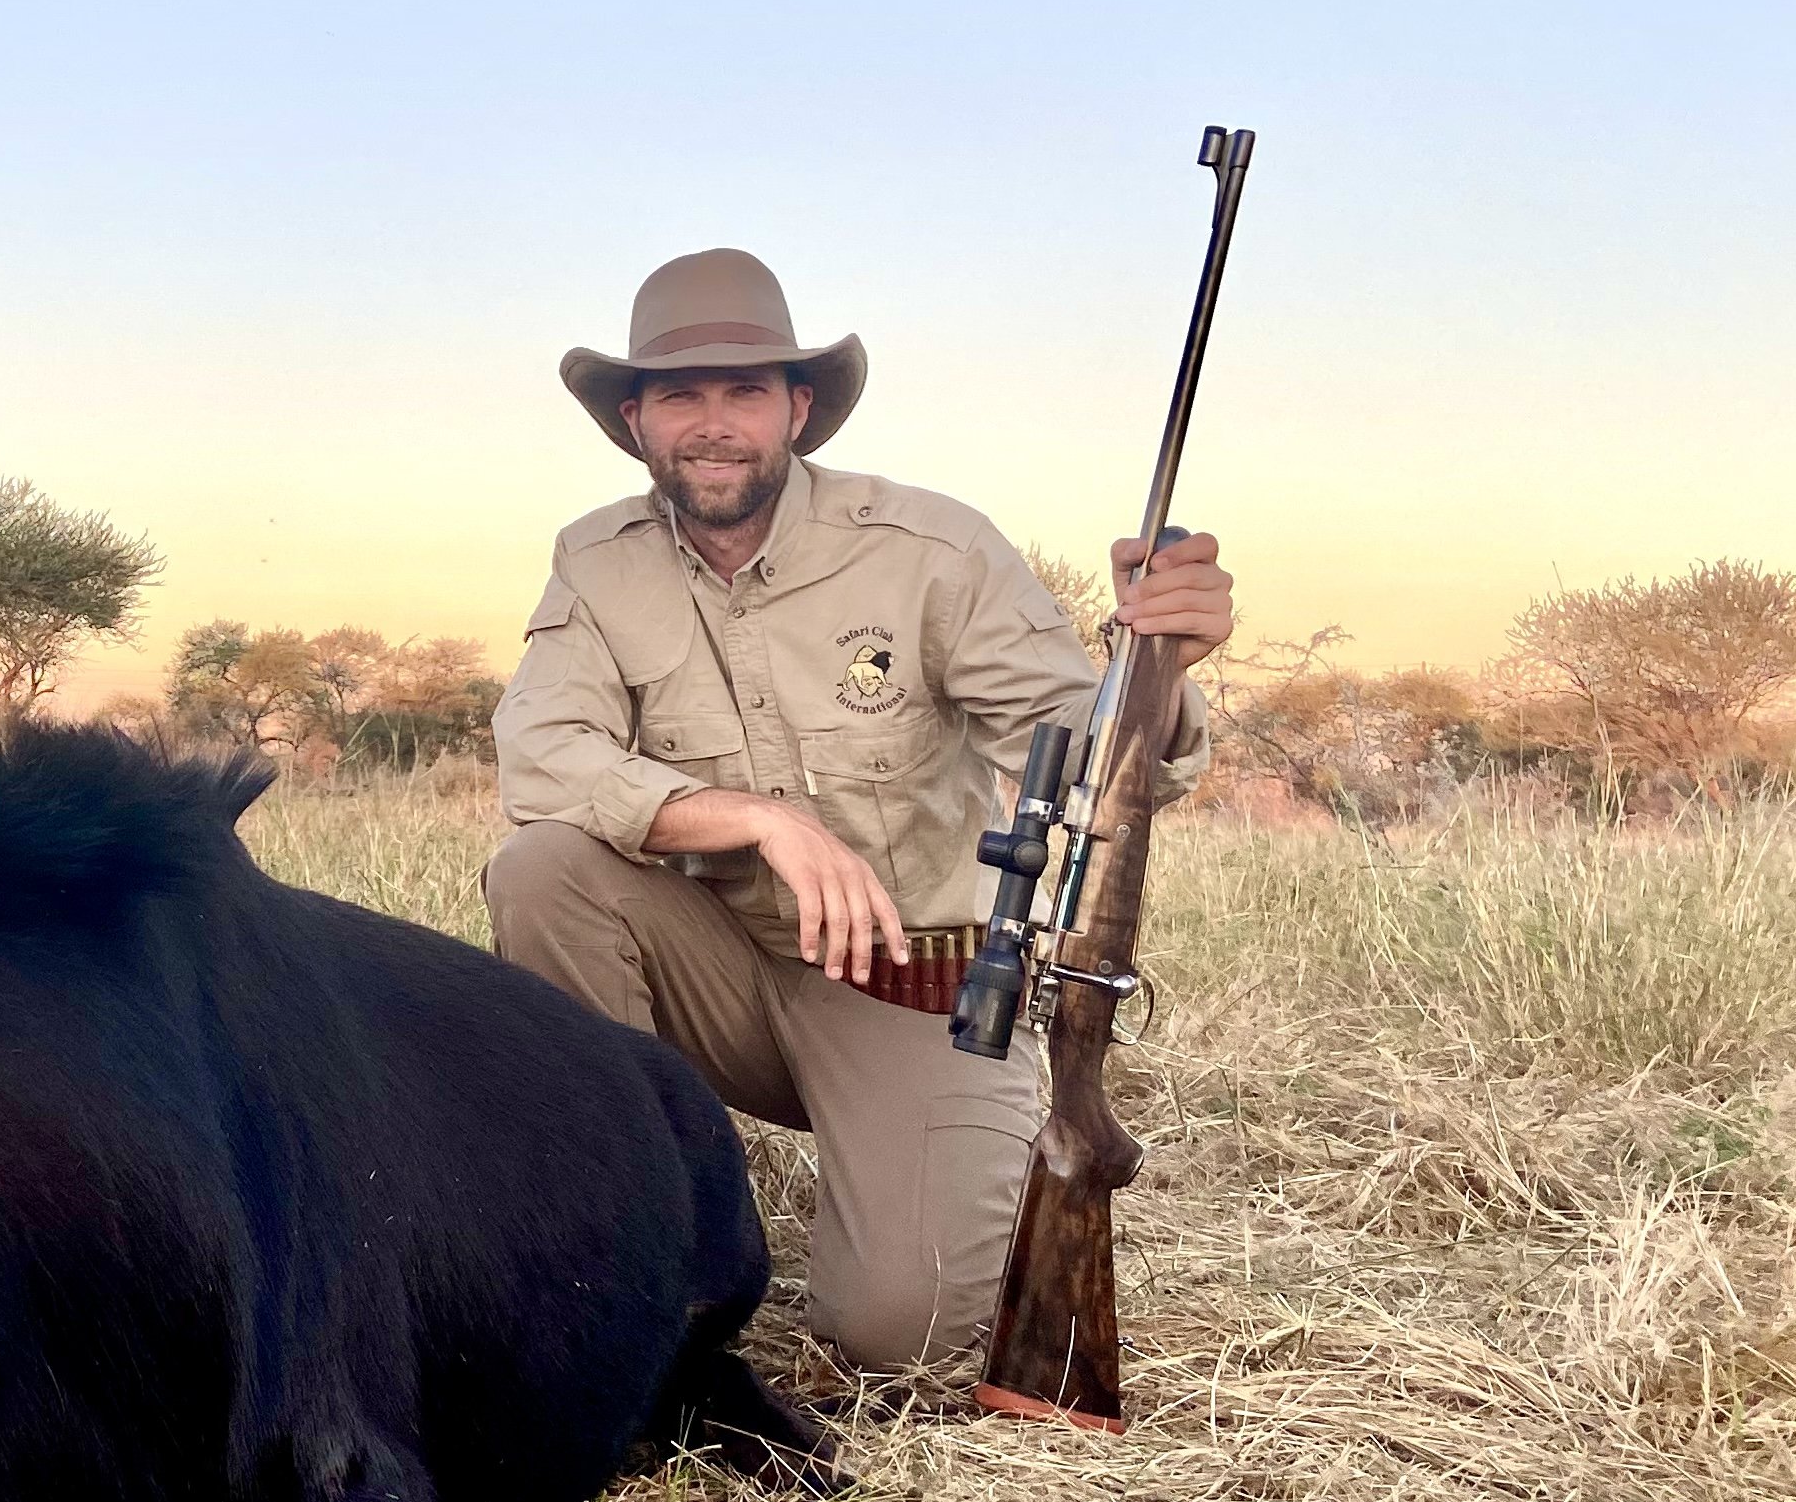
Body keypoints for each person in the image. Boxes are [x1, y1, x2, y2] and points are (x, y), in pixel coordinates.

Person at [486, 247, 1235, 1373]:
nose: (714, 422)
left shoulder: (931, 548)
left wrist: (1160, 672)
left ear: (798, 408)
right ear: (635, 419)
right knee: (541, 870)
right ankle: (618, 1240)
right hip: (724, 972)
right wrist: (758, 820)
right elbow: (541, 760)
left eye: (746, 391)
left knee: (902, 1336)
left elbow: (1085, 761)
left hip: (913, 983)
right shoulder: (597, 562)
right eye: (682, 394)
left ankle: (950, 1145)